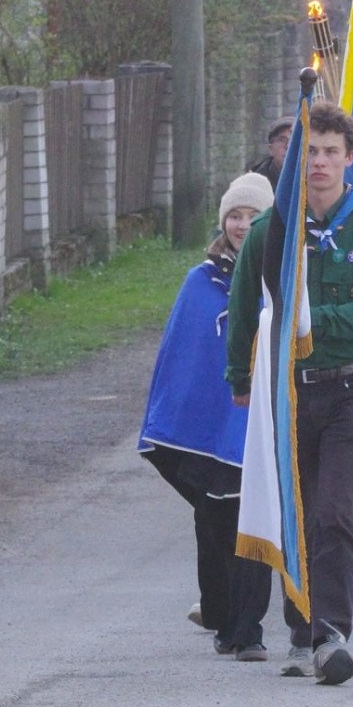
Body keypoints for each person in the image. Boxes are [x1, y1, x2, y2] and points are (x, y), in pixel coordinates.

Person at [225, 103, 353, 684]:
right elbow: (244, 308)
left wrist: (305, 321)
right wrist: (241, 379)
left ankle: (331, 634)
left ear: (350, 159)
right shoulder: (270, 231)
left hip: (351, 388)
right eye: (311, 153)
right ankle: (301, 632)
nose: (319, 163)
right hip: (288, 393)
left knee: (338, 512)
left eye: (331, 152)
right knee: (295, 514)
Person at [139, 172, 275, 661]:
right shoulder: (201, 281)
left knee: (251, 517)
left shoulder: (282, 279)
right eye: (235, 216)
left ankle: (248, 630)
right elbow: (181, 359)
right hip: (208, 427)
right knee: (214, 515)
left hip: (258, 424)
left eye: (254, 216)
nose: (242, 225)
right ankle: (220, 609)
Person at [250, 116, 295, 185]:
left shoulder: (311, 179)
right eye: (282, 140)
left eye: (294, 140)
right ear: (270, 149)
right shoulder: (254, 183)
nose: (288, 146)